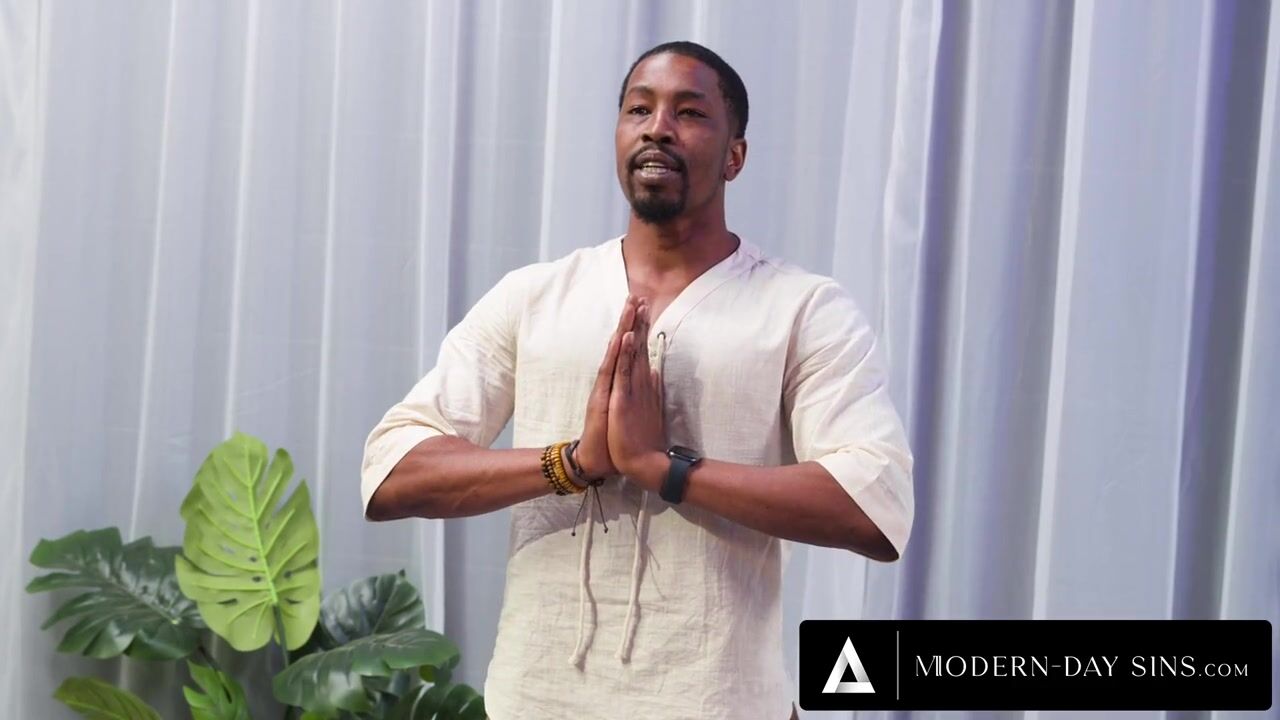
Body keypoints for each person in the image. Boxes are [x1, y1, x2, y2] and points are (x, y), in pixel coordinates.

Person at [361, 40, 913, 720]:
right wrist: (574, 462)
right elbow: (392, 472)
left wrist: (665, 469)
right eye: (638, 109)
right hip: (535, 703)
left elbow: (873, 505)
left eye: (690, 112)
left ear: (735, 156)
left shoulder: (803, 309)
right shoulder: (535, 296)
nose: (658, 128)